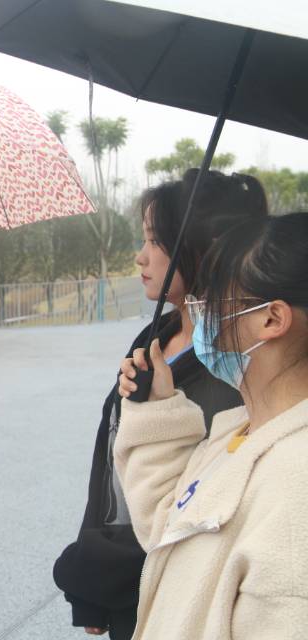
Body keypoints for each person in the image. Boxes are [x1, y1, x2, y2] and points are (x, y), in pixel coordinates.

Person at [52, 170, 268, 639]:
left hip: (172, 594)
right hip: (120, 591)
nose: (141, 256)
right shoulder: (156, 335)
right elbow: (113, 455)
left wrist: (96, 568)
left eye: (155, 240)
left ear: (203, 249)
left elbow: (196, 509)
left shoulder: (235, 368)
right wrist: (94, 579)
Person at [115, 211, 308, 638]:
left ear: (272, 319)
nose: (202, 314)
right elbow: (170, 526)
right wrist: (157, 408)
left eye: (214, 299)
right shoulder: (242, 430)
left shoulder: (298, 485)